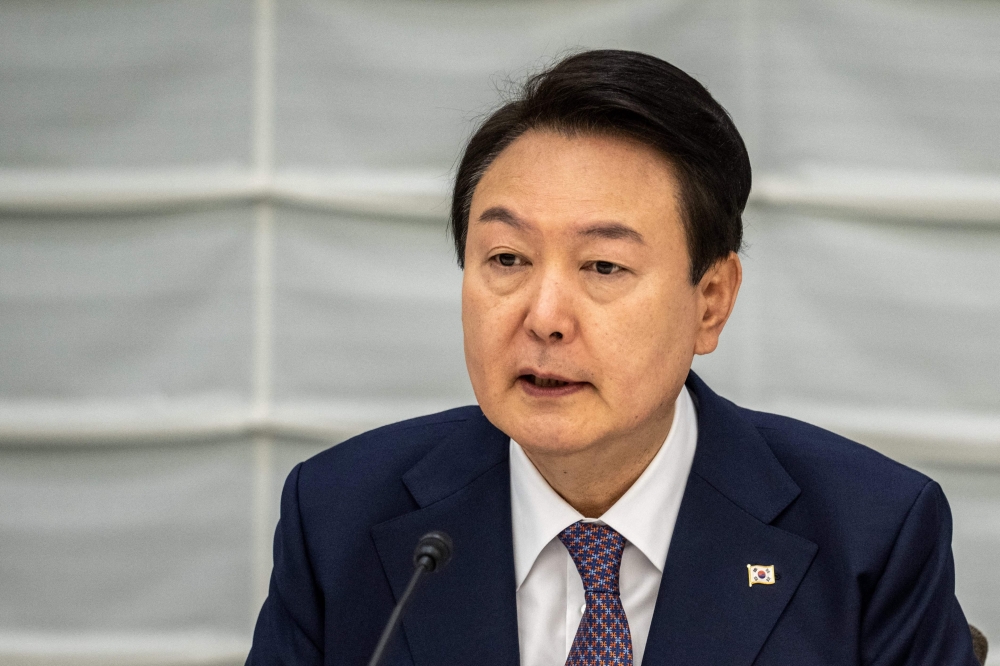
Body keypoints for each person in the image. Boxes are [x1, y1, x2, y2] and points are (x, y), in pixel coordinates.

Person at [246, 50, 978, 665]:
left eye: (602, 266)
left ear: (711, 301)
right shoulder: (338, 517)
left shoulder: (870, 534)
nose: (544, 317)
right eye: (507, 258)